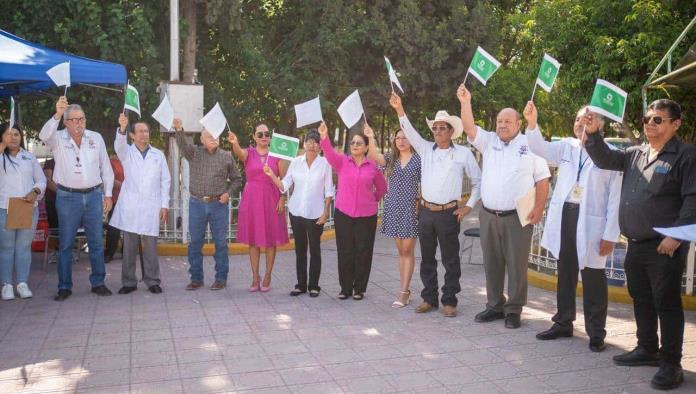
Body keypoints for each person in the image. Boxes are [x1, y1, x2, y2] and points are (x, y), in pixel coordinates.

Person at [584, 99, 696, 390]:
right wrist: (594, 134)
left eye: (658, 119)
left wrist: (677, 236)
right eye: (647, 118)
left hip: (664, 246)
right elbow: (605, 159)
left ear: (675, 124)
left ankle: (671, 364)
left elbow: (693, 199)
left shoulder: (685, 156)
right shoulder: (636, 152)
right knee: (642, 298)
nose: (649, 123)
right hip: (635, 243)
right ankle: (647, 348)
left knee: (666, 303)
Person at [524, 102, 622, 352]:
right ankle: (563, 322)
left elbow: (615, 199)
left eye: (587, 119)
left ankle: (596, 332)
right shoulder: (566, 147)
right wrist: (533, 122)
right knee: (565, 272)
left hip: (592, 222)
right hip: (566, 216)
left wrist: (611, 234)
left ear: (598, 124)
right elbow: (538, 147)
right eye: (578, 119)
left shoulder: (610, 155)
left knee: (593, 277)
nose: (581, 123)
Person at [458, 84, 550, 328]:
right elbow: (468, 127)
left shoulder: (531, 144)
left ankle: (514, 310)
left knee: (517, 265)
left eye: (508, 121)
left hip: (518, 217)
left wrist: (539, 208)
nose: (502, 125)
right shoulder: (489, 141)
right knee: (492, 263)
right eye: (499, 120)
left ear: (518, 124)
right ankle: (494, 305)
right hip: (488, 215)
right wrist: (466, 102)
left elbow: (543, 179)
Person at [389, 93, 481, 316]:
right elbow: (409, 130)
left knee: (450, 259)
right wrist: (399, 109)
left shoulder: (463, 153)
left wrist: (468, 206)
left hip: (449, 213)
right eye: (436, 128)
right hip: (426, 212)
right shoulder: (424, 149)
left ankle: (449, 301)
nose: (438, 131)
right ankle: (429, 298)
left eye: (443, 127)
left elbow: (479, 181)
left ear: (451, 131)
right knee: (427, 258)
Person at [39, 96, 115, 301]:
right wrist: (56, 113)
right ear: (66, 122)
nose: (79, 123)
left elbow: (106, 169)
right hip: (67, 197)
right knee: (65, 243)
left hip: (93, 196)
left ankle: (98, 282)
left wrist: (107, 194)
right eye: (74, 119)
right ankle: (64, 286)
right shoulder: (58, 138)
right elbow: (43, 135)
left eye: (81, 119)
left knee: (96, 242)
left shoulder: (95, 138)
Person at [319, 121, 387, 300]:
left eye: (359, 143)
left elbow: (382, 188)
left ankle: (359, 289)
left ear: (366, 148)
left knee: (363, 252)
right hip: (344, 214)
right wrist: (324, 137)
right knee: (345, 251)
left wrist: (372, 200)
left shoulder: (373, 166)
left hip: (366, 216)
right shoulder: (343, 162)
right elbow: (329, 154)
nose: (355, 145)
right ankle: (345, 288)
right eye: (353, 143)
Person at [263, 128, 334, 297]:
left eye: (316, 143)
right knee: (300, 249)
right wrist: (272, 175)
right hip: (296, 211)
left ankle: (314, 285)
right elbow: (285, 185)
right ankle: (301, 284)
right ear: (304, 144)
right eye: (309, 141)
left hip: (316, 213)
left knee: (315, 249)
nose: (312, 145)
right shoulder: (296, 162)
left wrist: (325, 213)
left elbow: (329, 191)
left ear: (320, 147)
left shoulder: (325, 164)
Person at [174, 120, 241, 291]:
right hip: (196, 203)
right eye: (209, 136)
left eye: (216, 136)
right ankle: (196, 278)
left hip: (218, 204)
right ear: (202, 140)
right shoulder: (194, 153)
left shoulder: (226, 155)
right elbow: (182, 143)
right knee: (195, 242)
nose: (214, 138)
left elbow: (237, 179)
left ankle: (221, 278)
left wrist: (228, 193)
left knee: (220, 243)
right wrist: (179, 129)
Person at [110, 113, 171, 294]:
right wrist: (122, 128)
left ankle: (152, 280)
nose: (144, 134)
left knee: (151, 245)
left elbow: (165, 181)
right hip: (131, 205)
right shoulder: (127, 152)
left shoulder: (157, 155)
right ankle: (128, 282)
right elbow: (118, 145)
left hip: (152, 205)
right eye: (140, 131)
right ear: (132, 136)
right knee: (129, 246)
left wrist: (164, 205)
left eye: (146, 131)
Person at [365, 123, 421, 308]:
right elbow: (374, 156)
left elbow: (425, 184)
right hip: (393, 208)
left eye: (404, 137)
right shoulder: (391, 158)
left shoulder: (419, 159)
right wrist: (371, 137)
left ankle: (404, 292)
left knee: (407, 251)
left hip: (411, 210)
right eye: (398, 138)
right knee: (401, 251)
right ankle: (405, 288)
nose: (401, 141)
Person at [228, 124, 289, 292]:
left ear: (270, 137)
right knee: (253, 241)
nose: (264, 136)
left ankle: (268, 275)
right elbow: (239, 153)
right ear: (254, 137)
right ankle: (255, 277)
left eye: (266, 134)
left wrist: (282, 198)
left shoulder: (277, 155)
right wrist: (234, 142)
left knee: (270, 240)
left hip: (272, 199)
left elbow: (284, 180)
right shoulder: (249, 153)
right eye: (260, 134)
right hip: (252, 200)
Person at [0, 123, 46, 300]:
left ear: (22, 138)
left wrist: (35, 192)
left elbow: (41, 180)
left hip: (27, 208)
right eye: (9, 134)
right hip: (4, 208)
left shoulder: (29, 157)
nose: (13, 137)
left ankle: (22, 283)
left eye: (16, 134)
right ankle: (6, 285)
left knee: (24, 247)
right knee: (6, 247)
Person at [104, 153, 124, 262]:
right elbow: (108, 179)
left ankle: (126, 252)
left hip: (130, 199)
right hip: (116, 198)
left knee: (129, 227)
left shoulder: (128, 160)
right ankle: (109, 253)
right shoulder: (111, 162)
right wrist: (124, 186)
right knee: (114, 227)